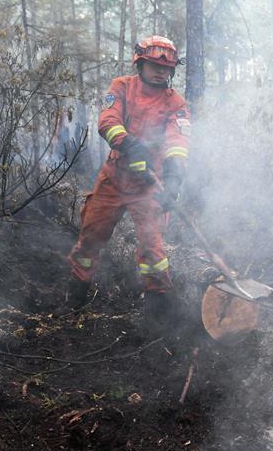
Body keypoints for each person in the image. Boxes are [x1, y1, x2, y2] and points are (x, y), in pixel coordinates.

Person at [64, 35, 191, 327]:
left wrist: (173, 175)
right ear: (140, 63)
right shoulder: (121, 87)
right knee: (91, 237)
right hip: (115, 177)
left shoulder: (177, 103)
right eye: (154, 65)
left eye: (167, 68)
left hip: (149, 183)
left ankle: (159, 311)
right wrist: (130, 144)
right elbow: (107, 122)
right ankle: (75, 299)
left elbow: (178, 141)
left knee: (152, 247)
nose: (161, 72)